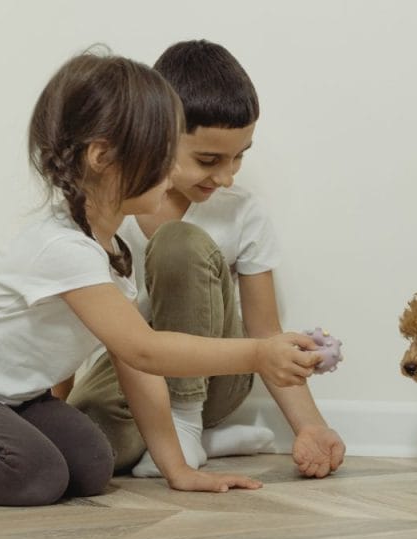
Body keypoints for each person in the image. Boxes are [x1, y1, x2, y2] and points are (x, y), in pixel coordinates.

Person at [0, 48, 322, 506]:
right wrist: (257, 353)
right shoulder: (61, 247)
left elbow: (134, 364)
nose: (172, 175)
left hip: (13, 398)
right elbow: (145, 350)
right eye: (163, 156)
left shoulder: (110, 249)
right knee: (35, 475)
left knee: (92, 464)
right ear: (103, 157)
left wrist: (178, 470)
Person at [59, 40, 346, 480]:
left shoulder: (242, 212)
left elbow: (264, 331)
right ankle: (200, 443)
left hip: (216, 380)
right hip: (142, 367)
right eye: (209, 160)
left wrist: (311, 426)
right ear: (155, 136)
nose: (227, 176)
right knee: (86, 452)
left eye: (239, 157)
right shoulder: (107, 213)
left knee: (178, 242)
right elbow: (70, 324)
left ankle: (188, 424)